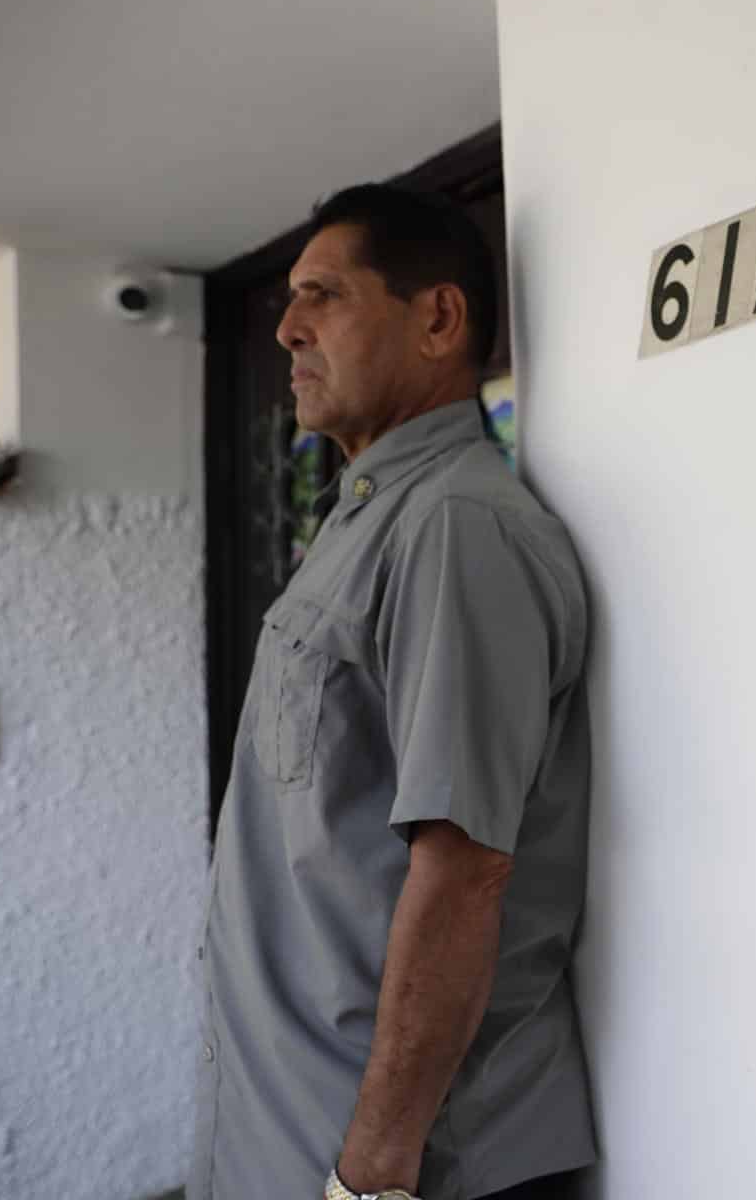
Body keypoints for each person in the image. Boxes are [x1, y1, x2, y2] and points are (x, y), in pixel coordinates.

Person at [190, 184, 596, 1200]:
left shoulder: (456, 525)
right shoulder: (363, 522)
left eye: (323, 294)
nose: (286, 327)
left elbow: (465, 867)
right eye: (289, 299)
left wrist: (370, 1173)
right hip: (296, 1131)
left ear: (439, 319)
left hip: (405, 1168)